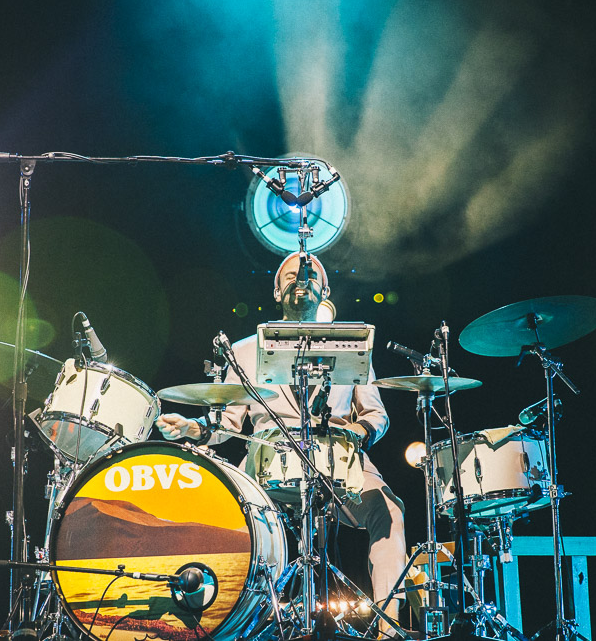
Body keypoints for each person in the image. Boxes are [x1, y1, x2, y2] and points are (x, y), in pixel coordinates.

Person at [156, 252, 407, 630]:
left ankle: (390, 628)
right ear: (276, 292)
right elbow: (226, 421)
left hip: (339, 460)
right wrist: (193, 428)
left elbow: (376, 415)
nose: (300, 281)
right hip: (267, 459)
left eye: (310, 276)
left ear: (324, 291)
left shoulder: (353, 345)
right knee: (226, 517)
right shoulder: (244, 350)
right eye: (290, 276)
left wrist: (358, 433)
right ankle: (235, 623)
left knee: (389, 510)